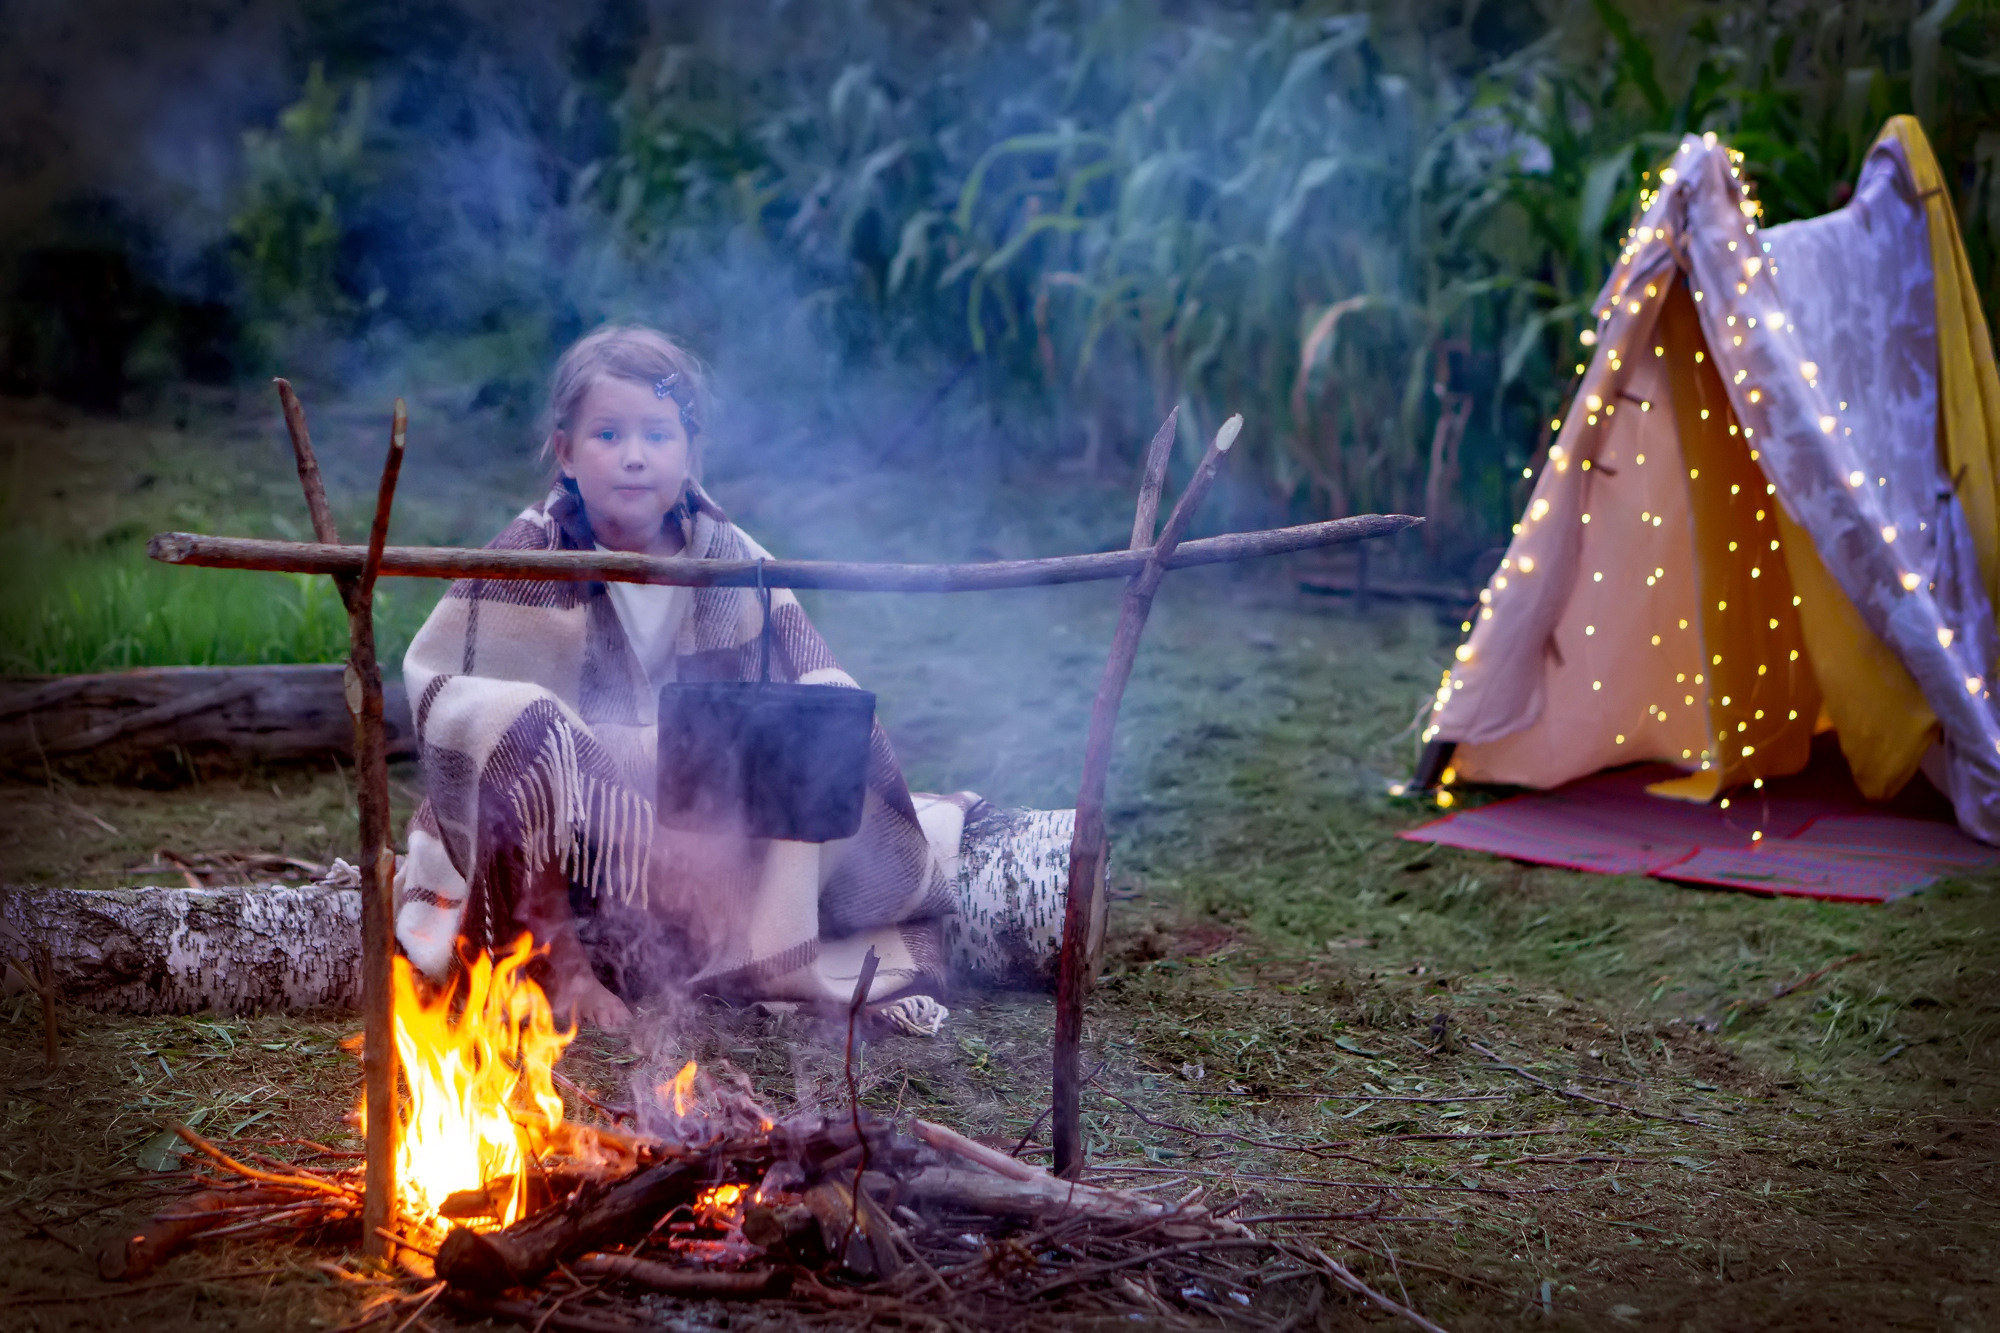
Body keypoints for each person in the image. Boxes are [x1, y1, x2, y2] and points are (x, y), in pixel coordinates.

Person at [392, 325, 960, 1032]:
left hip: (698, 827)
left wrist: (794, 721)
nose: (634, 456)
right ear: (565, 453)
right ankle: (565, 966)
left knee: (825, 714)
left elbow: (807, 672)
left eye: (658, 435)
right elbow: (453, 692)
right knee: (525, 733)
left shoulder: (728, 557)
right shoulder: (532, 557)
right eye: (608, 434)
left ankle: (770, 946)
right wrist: (601, 747)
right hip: (572, 835)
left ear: (691, 452)